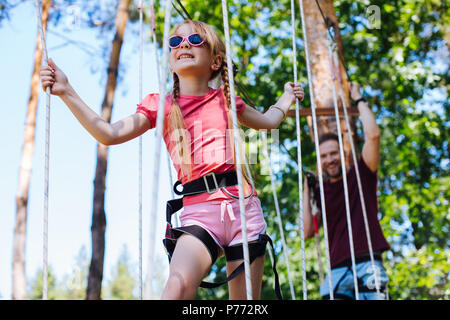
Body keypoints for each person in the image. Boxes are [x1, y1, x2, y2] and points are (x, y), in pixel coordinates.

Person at [40, 19, 304, 300]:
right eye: (176, 42)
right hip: (200, 213)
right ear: (171, 59)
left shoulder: (227, 100)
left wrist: (287, 98)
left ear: (215, 62)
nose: (184, 45)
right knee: (176, 289)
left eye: (195, 40)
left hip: (243, 209)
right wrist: (67, 92)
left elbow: (268, 121)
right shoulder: (161, 106)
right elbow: (108, 133)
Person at [301, 82, 390, 300]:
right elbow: (307, 232)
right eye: (323, 156)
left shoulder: (362, 174)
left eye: (333, 154)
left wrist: (358, 98)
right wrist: (307, 189)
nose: (329, 160)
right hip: (337, 270)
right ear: (319, 161)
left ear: (342, 153)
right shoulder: (319, 191)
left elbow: (374, 136)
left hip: (368, 263)